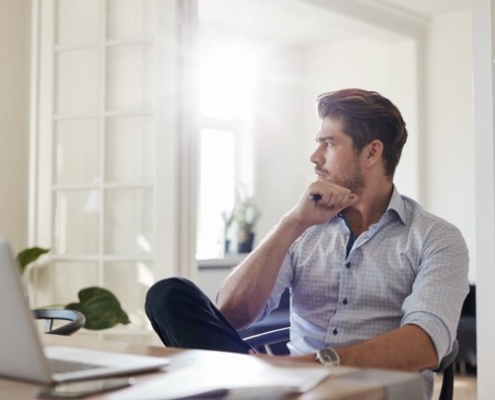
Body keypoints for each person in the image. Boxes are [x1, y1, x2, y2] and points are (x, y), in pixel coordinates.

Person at [145, 88, 469, 400]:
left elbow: (424, 343)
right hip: (289, 392)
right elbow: (229, 314)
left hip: (370, 395)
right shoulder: (304, 226)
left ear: (372, 152)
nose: (315, 157)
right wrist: (292, 223)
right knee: (168, 295)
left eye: (328, 144)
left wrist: (305, 367)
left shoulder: (436, 238)